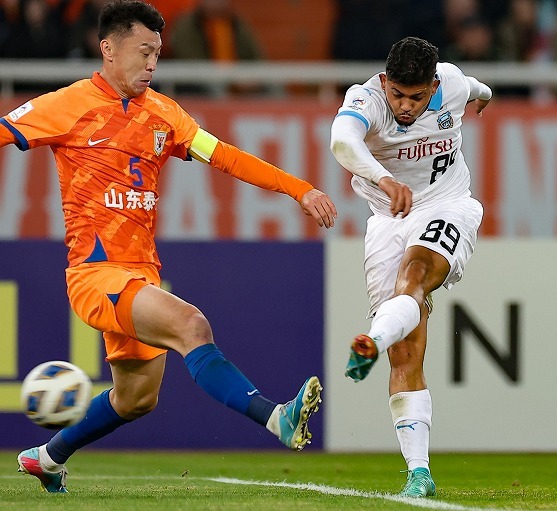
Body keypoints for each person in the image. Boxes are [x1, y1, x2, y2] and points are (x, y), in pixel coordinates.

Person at [1, 0, 337, 493]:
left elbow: (225, 156)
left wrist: (299, 188)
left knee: (136, 399)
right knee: (191, 325)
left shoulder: (165, 113)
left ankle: (47, 457)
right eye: (144, 52)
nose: (153, 63)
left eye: (157, 53)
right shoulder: (66, 104)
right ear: (109, 49)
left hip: (142, 272)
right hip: (96, 273)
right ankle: (275, 417)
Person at [330, 36, 490, 498]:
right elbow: (342, 140)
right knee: (405, 352)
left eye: (416, 97)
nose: (404, 106)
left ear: (434, 86)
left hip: (447, 204)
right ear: (385, 81)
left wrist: (485, 97)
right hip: (387, 220)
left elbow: (476, 87)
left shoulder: (452, 84)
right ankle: (419, 472)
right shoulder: (366, 98)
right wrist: (383, 178)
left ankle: (371, 341)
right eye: (397, 93)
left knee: (415, 275)